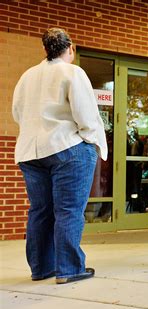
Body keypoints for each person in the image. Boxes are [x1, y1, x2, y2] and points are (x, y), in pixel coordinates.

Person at [12, 28, 107, 284]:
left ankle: (42, 267)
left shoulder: (27, 76)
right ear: (71, 49)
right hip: (67, 146)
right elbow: (86, 116)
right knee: (68, 210)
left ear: (45, 49)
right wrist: (90, 142)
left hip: (30, 151)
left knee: (40, 210)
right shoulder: (73, 72)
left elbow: (17, 113)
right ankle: (70, 269)